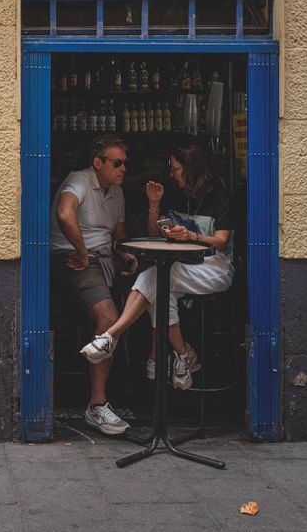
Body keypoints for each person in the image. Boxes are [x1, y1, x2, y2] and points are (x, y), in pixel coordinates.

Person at [81, 142, 234, 390]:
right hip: (181, 265)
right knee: (158, 287)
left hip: (213, 266)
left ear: (191, 168)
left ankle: (111, 336)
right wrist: (154, 205)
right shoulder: (176, 192)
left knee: (157, 276)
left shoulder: (219, 195)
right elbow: (157, 232)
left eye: (175, 168)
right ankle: (183, 355)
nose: (171, 173)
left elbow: (221, 241)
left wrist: (192, 236)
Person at [49, 135, 138, 435]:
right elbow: (65, 212)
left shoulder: (117, 193)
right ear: (98, 163)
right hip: (74, 258)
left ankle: (158, 366)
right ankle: (97, 406)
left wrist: (124, 252)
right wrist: (83, 252)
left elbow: (119, 233)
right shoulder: (80, 180)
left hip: (103, 258)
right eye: (117, 163)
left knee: (151, 286)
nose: (123, 168)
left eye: (125, 163)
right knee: (109, 317)